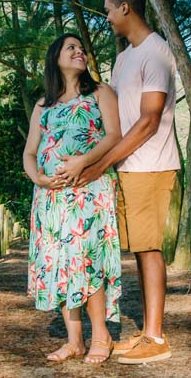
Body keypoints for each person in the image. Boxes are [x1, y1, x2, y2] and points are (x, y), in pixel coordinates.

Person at [72, 0, 180, 364]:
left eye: (108, 10)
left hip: (151, 165)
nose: (106, 18)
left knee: (149, 248)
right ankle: (147, 332)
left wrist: (101, 163)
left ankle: (156, 338)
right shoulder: (124, 58)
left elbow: (149, 121)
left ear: (125, 9)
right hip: (126, 167)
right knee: (138, 248)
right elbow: (113, 115)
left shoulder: (157, 52)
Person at [24, 33, 122, 364]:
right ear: (56, 58)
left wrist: (82, 161)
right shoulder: (43, 105)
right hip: (50, 198)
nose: (80, 52)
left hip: (88, 189)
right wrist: (37, 177)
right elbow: (30, 152)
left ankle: (101, 336)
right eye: (72, 48)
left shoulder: (100, 92)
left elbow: (114, 136)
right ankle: (75, 341)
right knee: (61, 265)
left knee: (87, 260)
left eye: (81, 48)